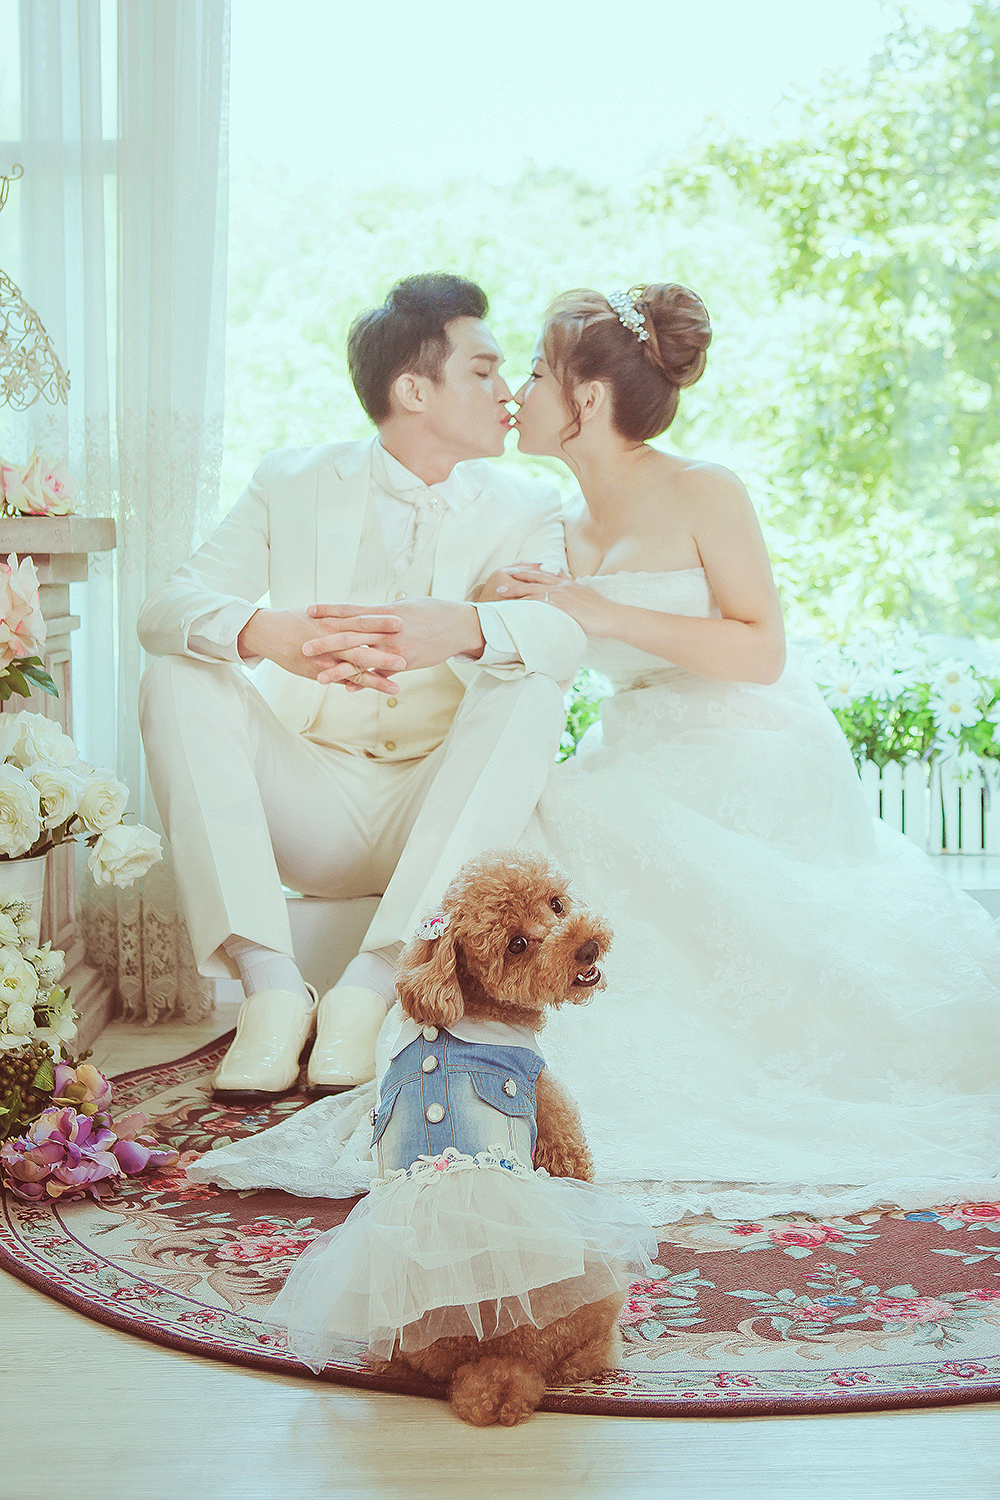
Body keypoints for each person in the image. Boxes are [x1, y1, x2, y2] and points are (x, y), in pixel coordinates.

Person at [190, 282, 1000, 1224]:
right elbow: (536, 638)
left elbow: (762, 650)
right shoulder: (557, 526)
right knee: (551, 818)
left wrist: (599, 609)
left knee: (606, 839)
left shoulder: (704, 489)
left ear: (587, 398)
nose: (516, 392)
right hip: (638, 737)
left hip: (752, 741)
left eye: (535, 373)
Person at [138, 273, 585, 1105]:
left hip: (437, 800)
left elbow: (566, 641)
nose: (509, 393)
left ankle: (373, 988)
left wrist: (463, 624)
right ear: (414, 390)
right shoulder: (291, 479)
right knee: (176, 671)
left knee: (531, 686)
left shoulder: (528, 503)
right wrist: (264, 633)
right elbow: (165, 609)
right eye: (484, 370)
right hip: (311, 796)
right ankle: (271, 987)